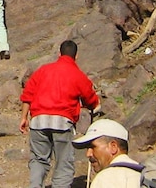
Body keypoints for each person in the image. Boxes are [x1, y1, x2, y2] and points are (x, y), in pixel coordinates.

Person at [18, 40, 101, 188]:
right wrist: (94, 104)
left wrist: (24, 117)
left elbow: (28, 95)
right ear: (76, 56)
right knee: (63, 162)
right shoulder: (78, 75)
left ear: (59, 53)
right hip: (62, 123)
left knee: (38, 159)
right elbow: (90, 98)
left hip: (38, 121)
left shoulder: (43, 70)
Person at [71, 119, 141, 187]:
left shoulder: (105, 178)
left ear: (113, 147)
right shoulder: (140, 176)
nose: (88, 154)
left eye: (93, 147)